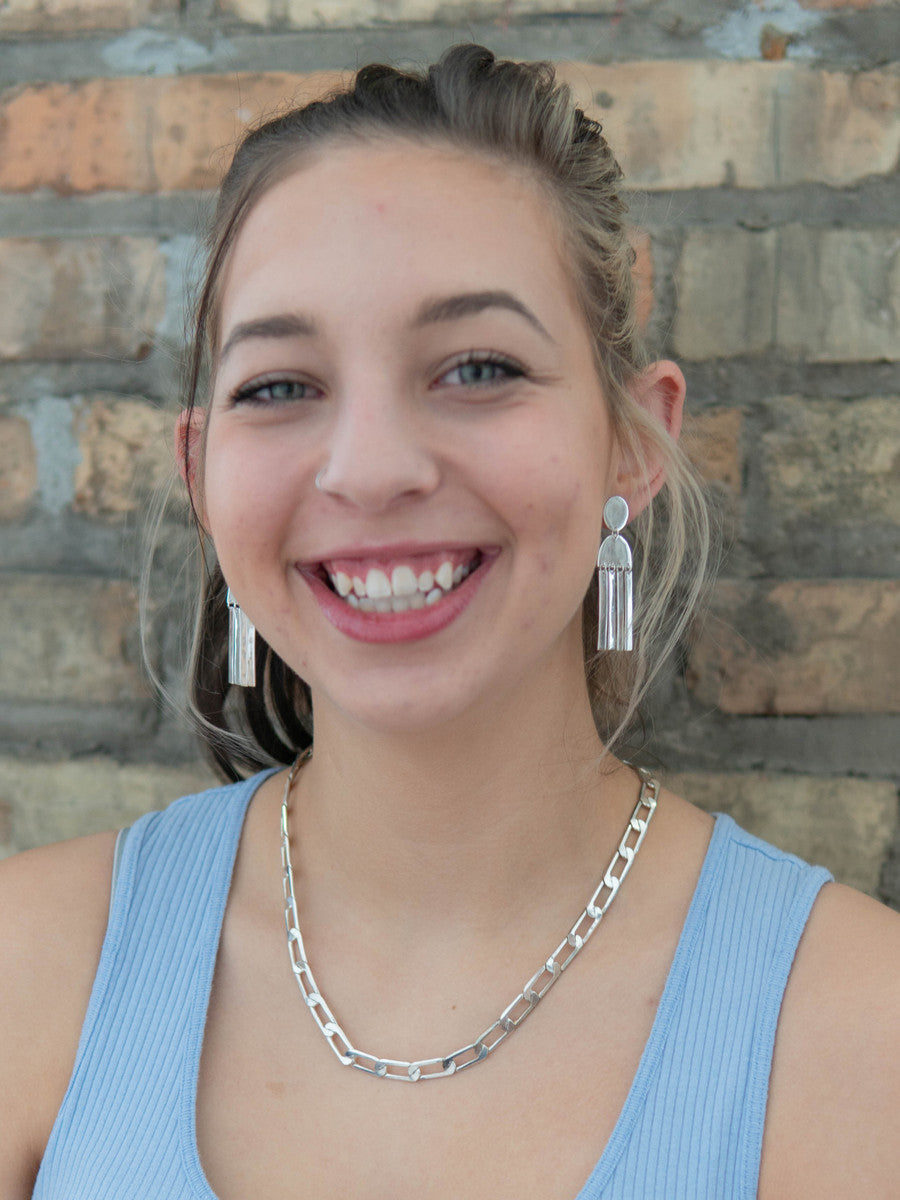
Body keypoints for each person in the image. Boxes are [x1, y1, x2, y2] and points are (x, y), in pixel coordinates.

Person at [1, 44, 898, 1199]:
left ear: (634, 440)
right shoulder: (29, 970)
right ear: (201, 472)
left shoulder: (859, 1032)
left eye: (477, 366)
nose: (370, 469)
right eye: (280, 386)